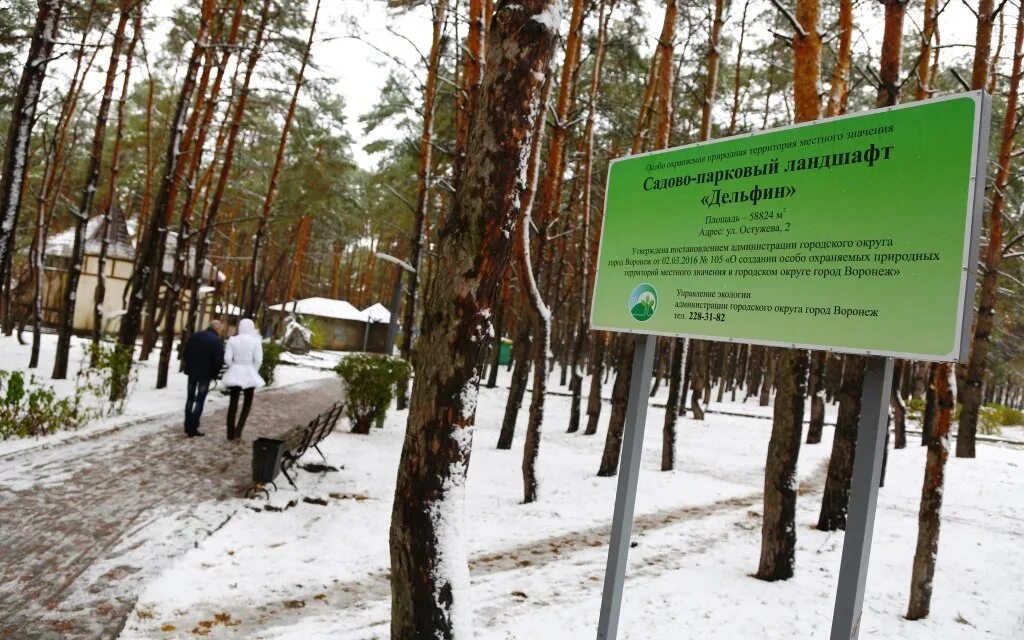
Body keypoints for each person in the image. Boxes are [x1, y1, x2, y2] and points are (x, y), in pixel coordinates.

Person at [222, 318, 265, 440]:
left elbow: (227, 358)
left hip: (235, 373)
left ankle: (230, 433)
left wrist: (234, 367)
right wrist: (252, 371)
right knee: (247, 403)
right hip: (249, 373)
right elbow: (258, 360)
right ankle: (238, 430)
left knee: (233, 404)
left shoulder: (233, 340)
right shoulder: (255, 341)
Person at [182, 320, 224, 438]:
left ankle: (187, 423)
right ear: (217, 329)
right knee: (200, 400)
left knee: (190, 398)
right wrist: (214, 374)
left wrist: (188, 366)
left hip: (192, 372)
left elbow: (186, 353)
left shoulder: (195, 336)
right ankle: (193, 426)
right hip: (205, 375)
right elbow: (218, 360)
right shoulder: (216, 341)